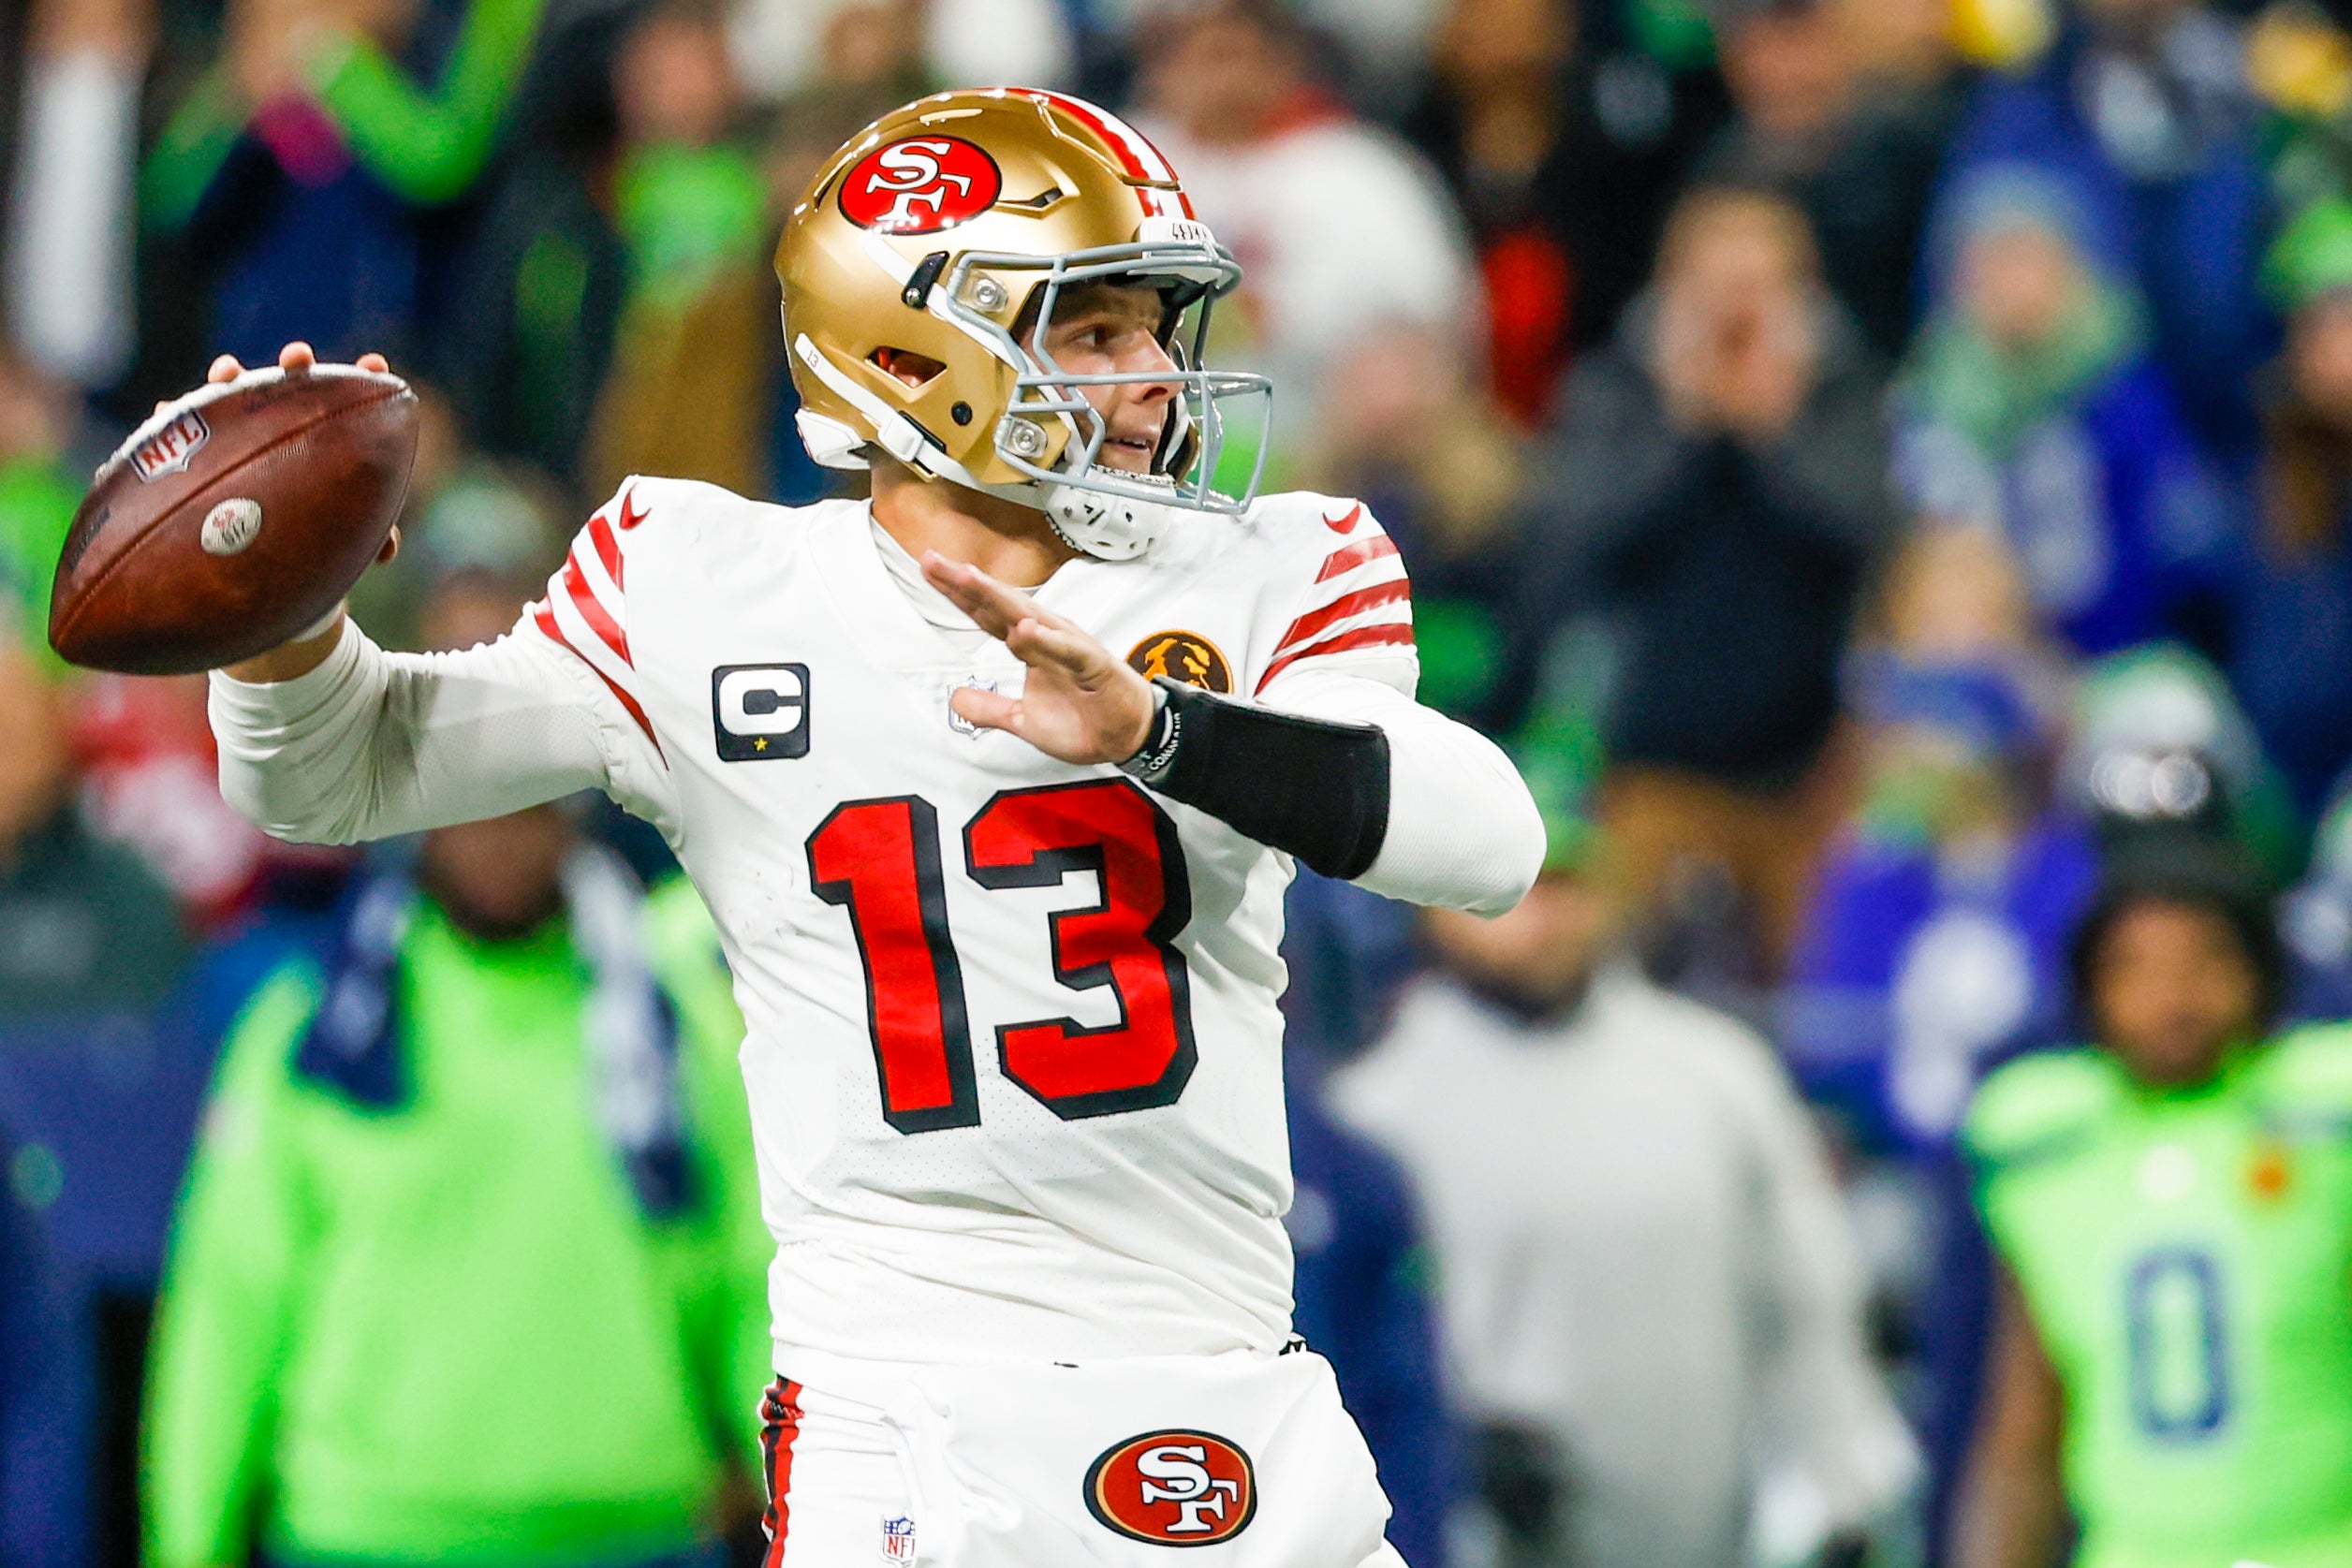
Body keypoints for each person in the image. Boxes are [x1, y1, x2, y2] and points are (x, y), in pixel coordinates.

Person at [198, 87, 1542, 1566]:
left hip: (1227, 1379)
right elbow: (333, 772)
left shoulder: (1274, 563)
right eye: (1096, 330)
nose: (1158, 377)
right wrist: (278, 616)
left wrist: (1163, 732)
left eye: (1160, 327)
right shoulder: (703, 586)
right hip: (905, 1407)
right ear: (913, 354)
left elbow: (1488, 840)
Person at [143, 580, 772, 1568]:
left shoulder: (675, 1021)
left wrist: (815, 1514)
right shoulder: (315, 1034)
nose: (499, 830)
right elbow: (228, 1311)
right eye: (467, 799)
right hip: (364, 1539)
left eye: (528, 799)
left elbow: (757, 1294)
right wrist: (189, 1546)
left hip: (636, 1533)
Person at [1330, 778, 1917, 1568]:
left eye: (1564, 884)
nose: (1537, 915)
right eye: (1499, 892)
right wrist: (1444, 1446)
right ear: (1433, 906)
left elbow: (1809, 1298)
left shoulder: (1717, 1075)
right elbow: (1354, 1345)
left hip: (1704, 1539)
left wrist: (1841, 1486)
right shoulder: (1377, 1110)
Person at [1501, 183, 1899, 974]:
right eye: (1717, 291)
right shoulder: (1616, 391)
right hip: (1646, 775)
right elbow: (1576, 554)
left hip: (1812, 780)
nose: (1735, 317)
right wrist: (1685, 430)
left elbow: (1867, 544)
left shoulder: (1846, 397)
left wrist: (1773, 432)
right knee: (1611, 975)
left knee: (1826, 980)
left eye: (1759, 290)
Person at [1952, 839, 2352, 1568]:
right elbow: (2022, 1431)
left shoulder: (2325, 1124)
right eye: (2134, 967)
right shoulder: (2049, 1150)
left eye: (2204, 960)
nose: (2173, 996)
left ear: (2258, 970)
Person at [1896, 165, 2233, 658]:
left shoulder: (2121, 383)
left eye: (2023, 258)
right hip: (1987, 651)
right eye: (1989, 262)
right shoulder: (1935, 393)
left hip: (2122, 644)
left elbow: (2172, 534)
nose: (2007, 282)